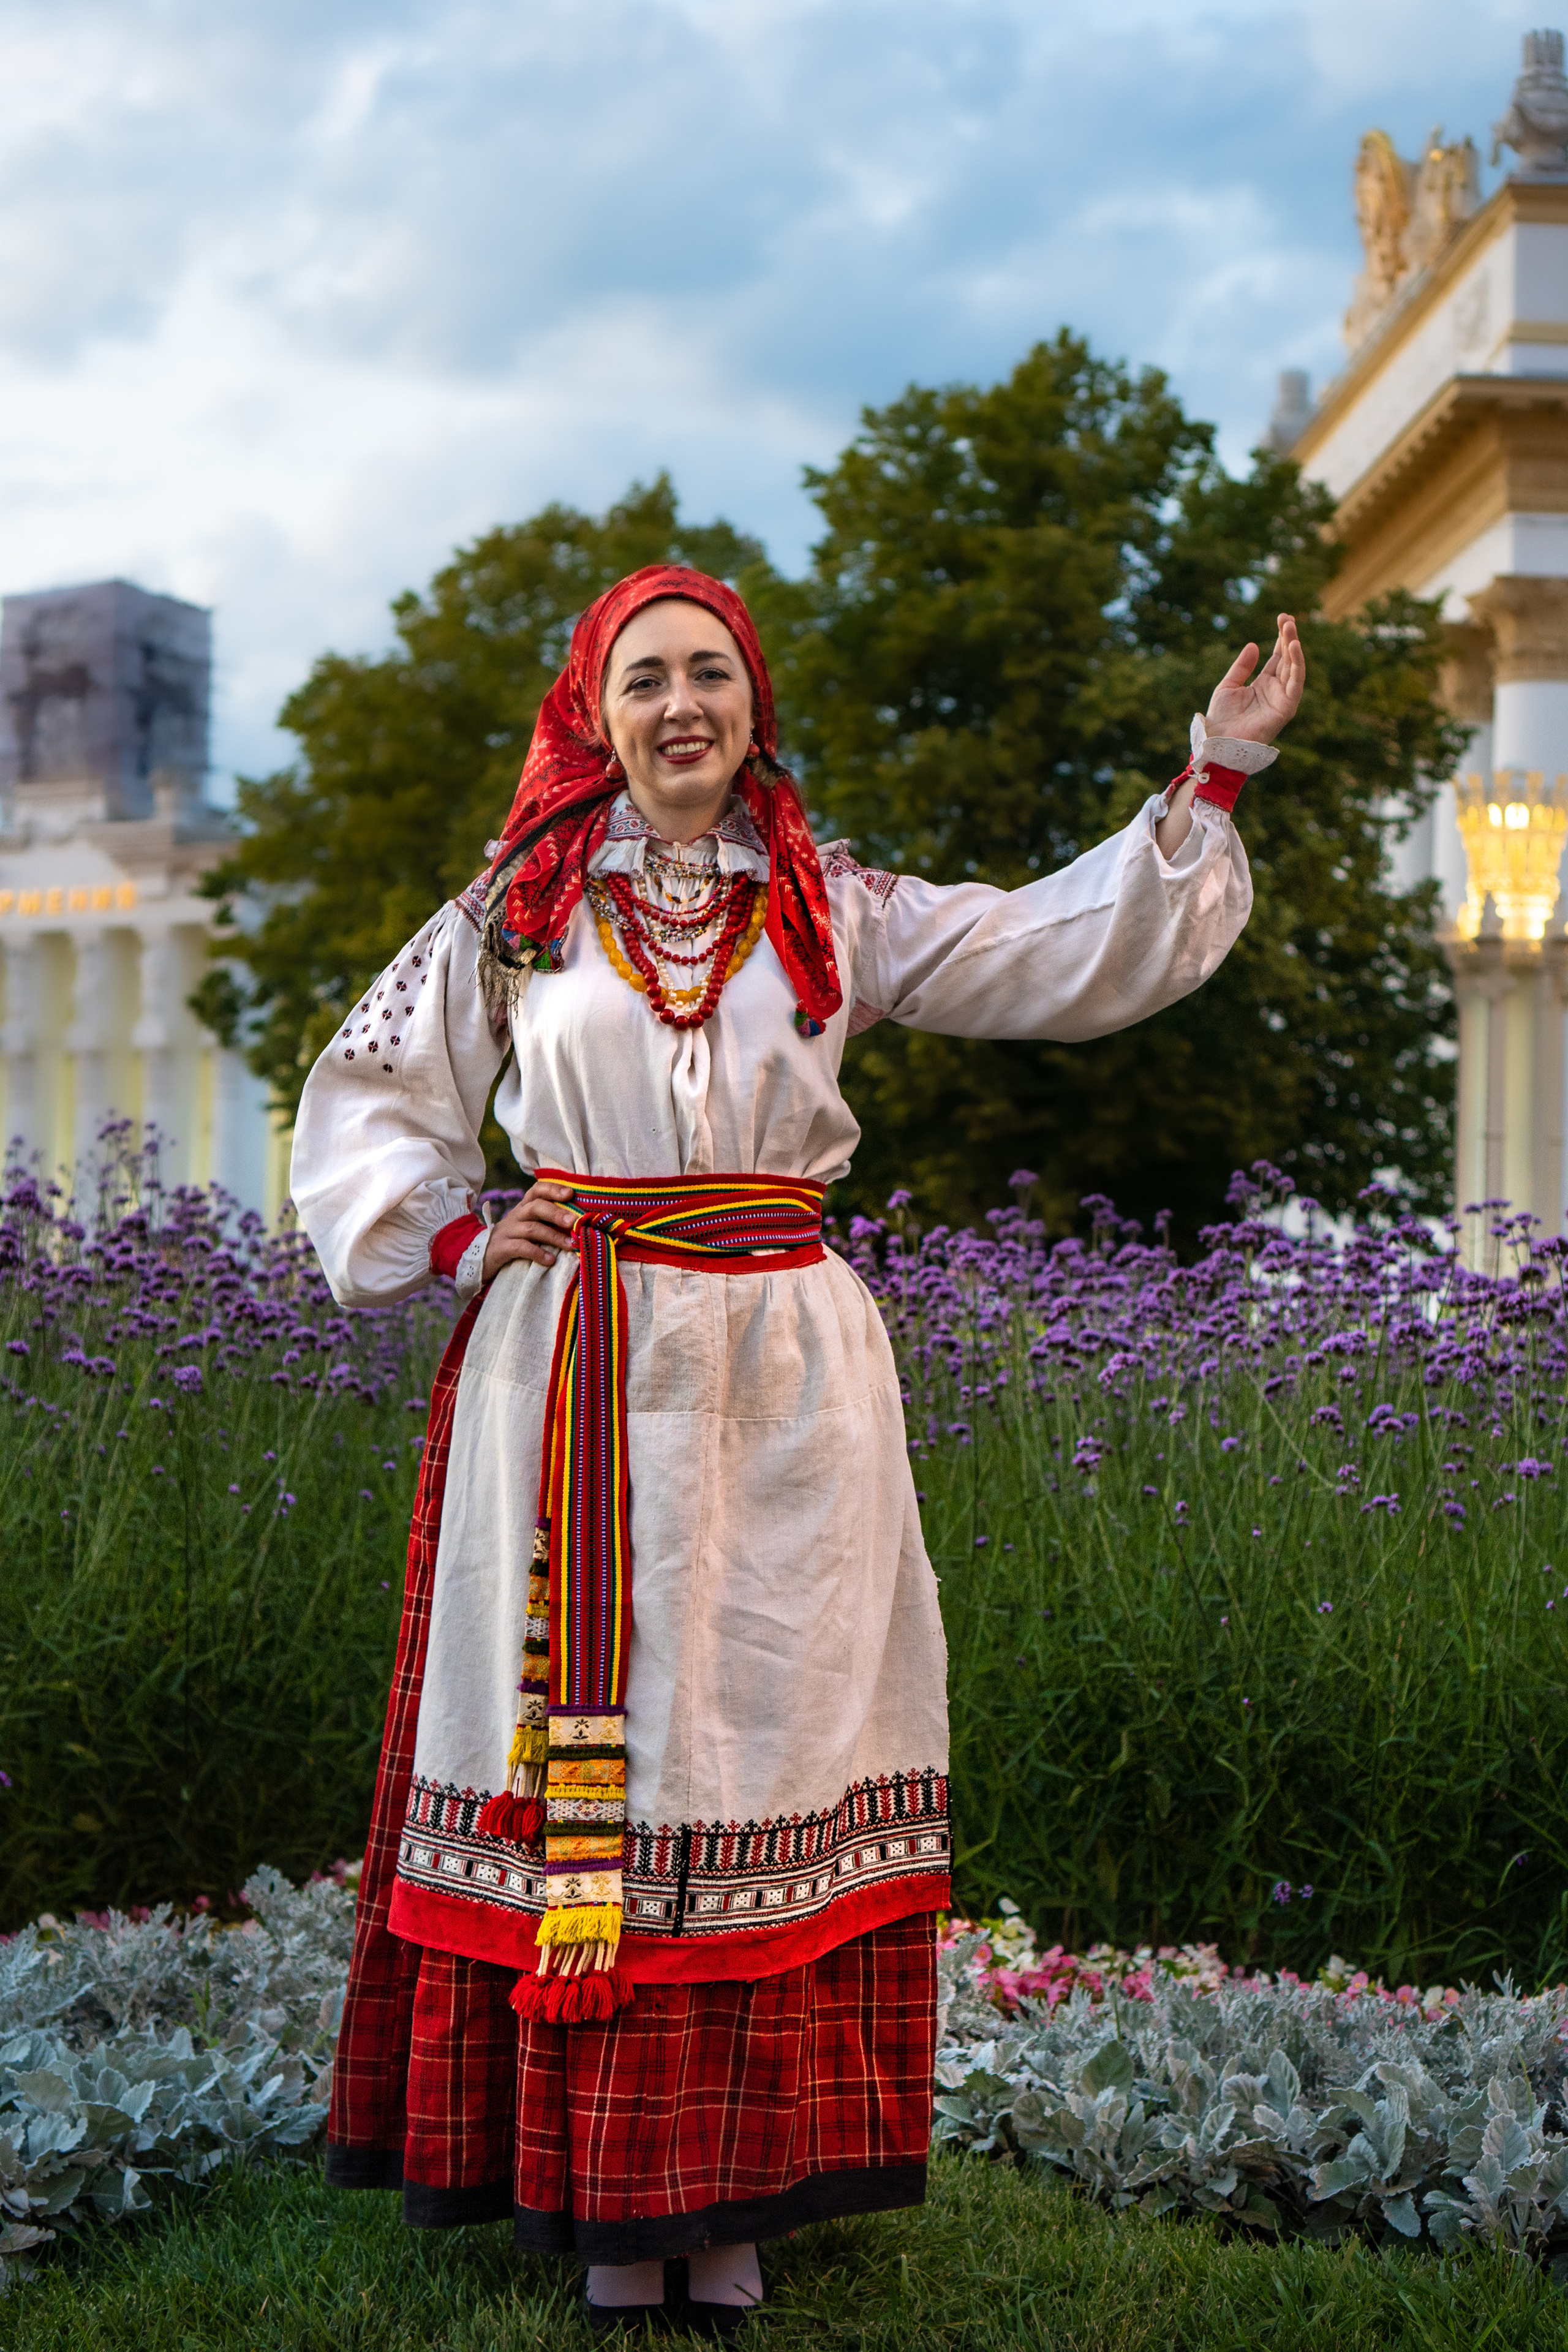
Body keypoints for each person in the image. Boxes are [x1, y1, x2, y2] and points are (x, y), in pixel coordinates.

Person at [290, 566, 1304, 2335]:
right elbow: (369, 1096)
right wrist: (455, 1235)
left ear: (752, 702)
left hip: (786, 1368)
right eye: (644, 679)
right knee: (600, 1743)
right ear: (593, 716)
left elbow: (1050, 946)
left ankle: (735, 2198)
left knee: (771, 1731)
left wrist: (1214, 772)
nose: (680, 704)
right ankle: (615, 2210)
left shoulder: (831, 904)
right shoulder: (519, 909)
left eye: (710, 672)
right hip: (582, 1359)